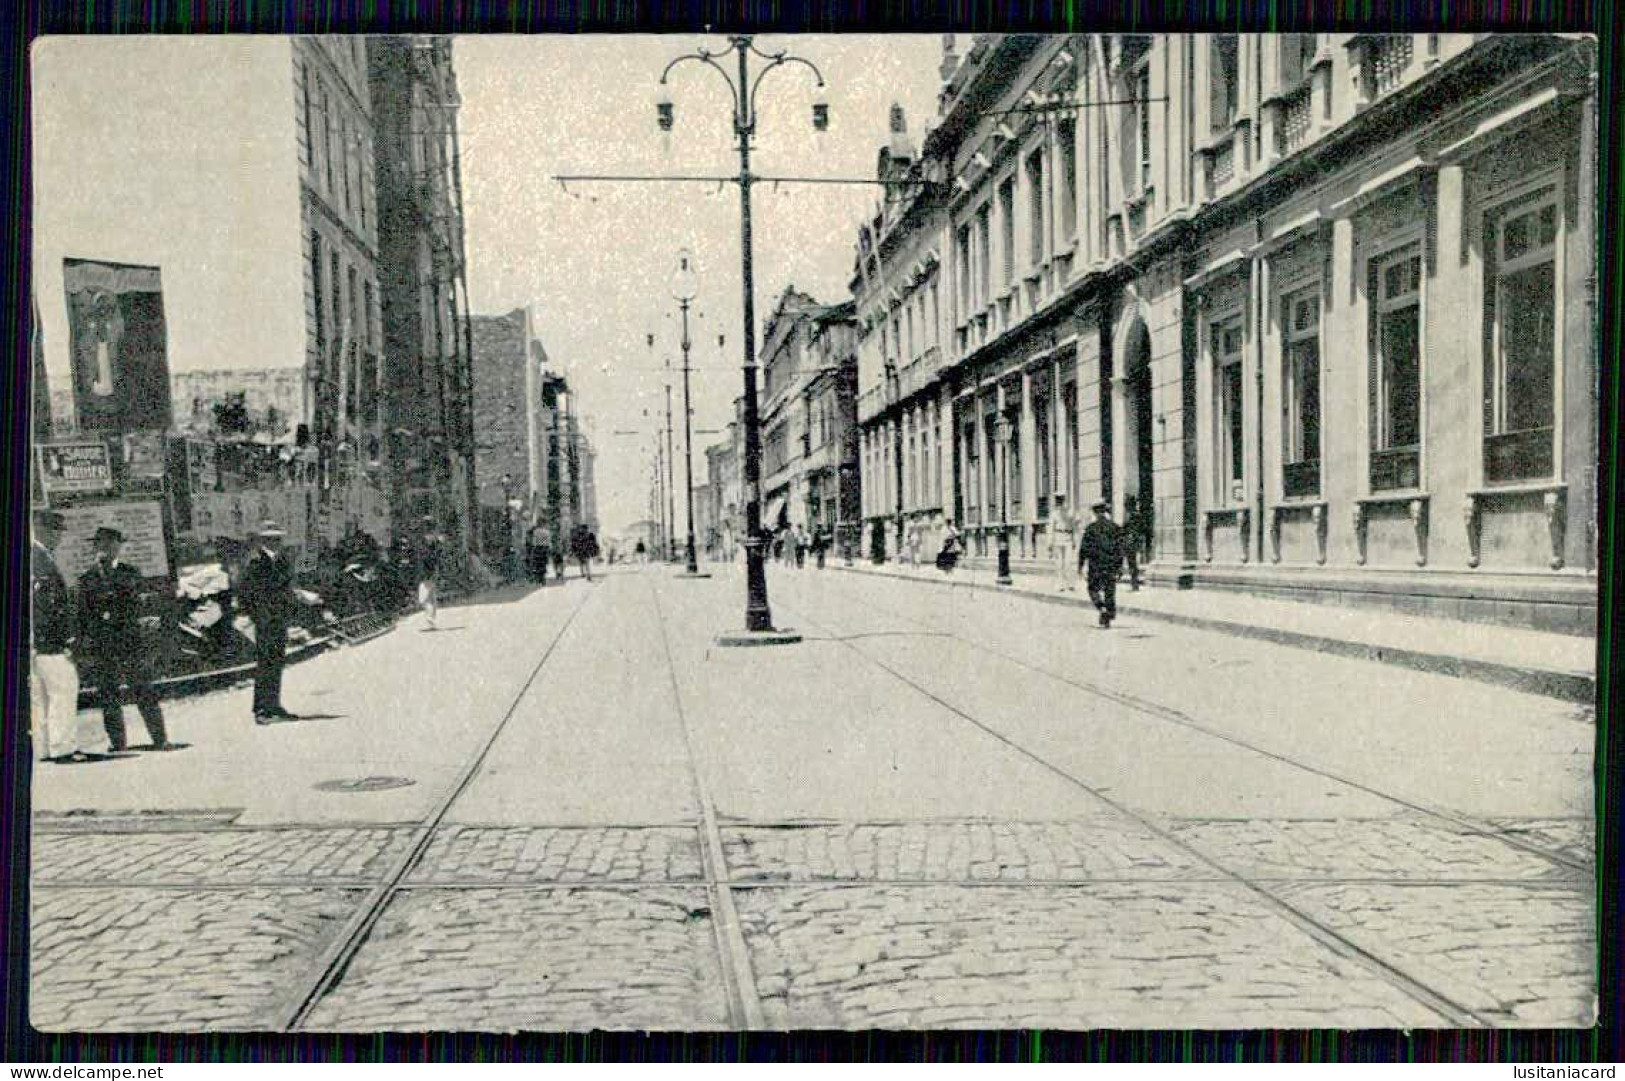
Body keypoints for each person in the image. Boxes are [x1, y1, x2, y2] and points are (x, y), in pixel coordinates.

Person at [77, 526, 171, 751]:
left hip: (130, 642)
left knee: (143, 690)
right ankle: (118, 743)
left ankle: (160, 739)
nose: (105, 548)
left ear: (119, 546)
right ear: (95, 547)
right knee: (108, 694)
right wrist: (85, 642)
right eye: (100, 544)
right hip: (103, 645)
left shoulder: (130, 573)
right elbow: (83, 614)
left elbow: (136, 605)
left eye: (111, 544)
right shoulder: (87, 578)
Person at [32, 510, 100, 763]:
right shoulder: (40, 559)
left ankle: (45, 749)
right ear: (44, 531)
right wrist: (63, 640)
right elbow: (46, 607)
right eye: (56, 532)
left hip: (36, 642)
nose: (59, 537)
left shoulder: (36, 556)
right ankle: (63, 748)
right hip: (49, 642)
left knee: (41, 696)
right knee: (64, 690)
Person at [238, 520, 301, 724]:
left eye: (277, 538)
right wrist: (256, 616)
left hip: (279, 617)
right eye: (270, 539)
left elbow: (286, 589)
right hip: (265, 619)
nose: (275, 542)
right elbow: (246, 592)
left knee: (277, 661)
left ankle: (274, 704)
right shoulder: (255, 561)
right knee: (265, 662)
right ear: (263, 540)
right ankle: (261, 709)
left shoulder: (281, 560)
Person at [1079, 500, 1125, 629]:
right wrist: (1120, 566)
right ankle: (1108, 613)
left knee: (1093, 588)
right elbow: (1120, 549)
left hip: (1095, 564)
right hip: (1111, 564)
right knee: (1110, 590)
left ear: (1094, 512)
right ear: (1105, 511)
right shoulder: (1115, 527)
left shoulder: (1090, 528)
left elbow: (1084, 549)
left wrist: (1080, 565)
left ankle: (1101, 607)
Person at [1051, 494, 1079, 593]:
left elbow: (1075, 527)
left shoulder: (1070, 512)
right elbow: (1051, 528)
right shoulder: (1054, 513)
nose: (1059, 502)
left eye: (1061, 500)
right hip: (1058, 537)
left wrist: (1075, 540)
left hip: (1068, 537)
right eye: (1058, 500)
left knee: (1068, 563)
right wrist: (1050, 542)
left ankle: (1070, 584)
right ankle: (1059, 584)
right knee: (1059, 563)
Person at [417, 526, 443, 630]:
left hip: (428, 575)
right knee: (431, 598)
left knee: (424, 599)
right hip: (431, 575)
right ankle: (431, 620)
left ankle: (430, 619)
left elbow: (426, 562)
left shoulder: (428, 550)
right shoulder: (434, 549)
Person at [1123, 494, 1147, 591]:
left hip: (1132, 542)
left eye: (1127, 504)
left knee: (1132, 564)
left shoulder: (1134, 515)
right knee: (1132, 564)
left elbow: (1134, 530)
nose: (1125, 507)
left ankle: (1134, 584)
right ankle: (1134, 584)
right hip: (1132, 541)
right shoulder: (1133, 515)